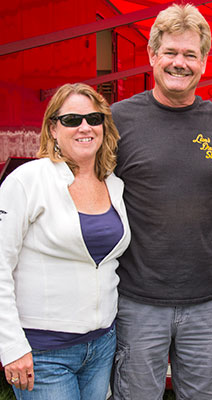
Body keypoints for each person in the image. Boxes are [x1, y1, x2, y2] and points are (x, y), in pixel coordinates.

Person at [110, 4, 212, 400]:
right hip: (136, 301)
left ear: (204, 62)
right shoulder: (120, 120)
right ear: (153, 56)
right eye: (171, 52)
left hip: (205, 302)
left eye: (190, 54)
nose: (179, 63)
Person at [0, 83, 131, 399]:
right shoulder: (27, 181)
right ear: (53, 130)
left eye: (94, 118)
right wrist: (11, 346)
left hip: (101, 345)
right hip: (45, 352)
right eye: (72, 119)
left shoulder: (114, 185)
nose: (85, 127)